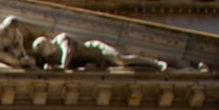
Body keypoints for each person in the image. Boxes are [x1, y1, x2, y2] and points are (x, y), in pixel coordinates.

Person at [31, 32, 167, 71]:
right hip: (89, 62)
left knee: (121, 60)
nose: (46, 52)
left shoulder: (61, 38)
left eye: (43, 47)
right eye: (42, 52)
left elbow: (68, 51)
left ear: (46, 42)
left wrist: (62, 67)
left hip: (97, 51)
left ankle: (155, 63)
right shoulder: (53, 56)